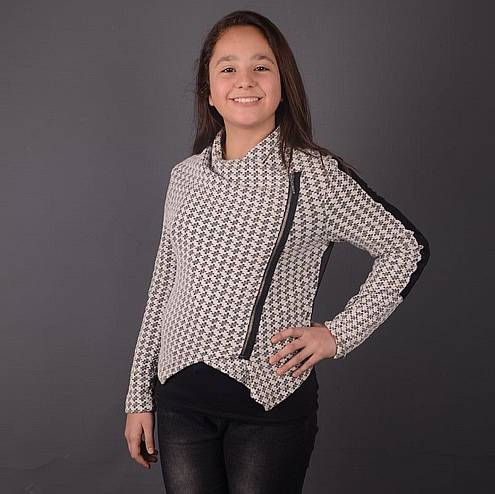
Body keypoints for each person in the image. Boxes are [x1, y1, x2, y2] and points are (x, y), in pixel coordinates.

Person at [123, 10, 430, 494]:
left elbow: (404, 248)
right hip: (179, 405)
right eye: (228, 68)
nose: (244, 80)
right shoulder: (184, 177)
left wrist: (337, 334)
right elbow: (163, 287)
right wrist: (138, 396)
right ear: (209, 91)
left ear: (283, 85)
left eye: (261, 67)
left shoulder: (315, 177)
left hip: (269, 407)